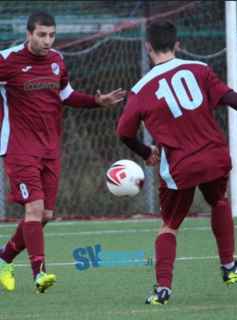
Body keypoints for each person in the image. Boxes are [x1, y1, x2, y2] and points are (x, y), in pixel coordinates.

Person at [116, 19, 237, 305]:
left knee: (169, 225)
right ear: (177, 45)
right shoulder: (200, 70)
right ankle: (229, 266)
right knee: (219, 201)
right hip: (215, 157)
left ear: (148, 48)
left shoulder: (140, 89)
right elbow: (233, 98)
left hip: (180, 168)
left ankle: (163, 289)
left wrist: (146, 152)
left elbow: (123, 133)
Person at [0, 10, 126, 294]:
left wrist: (97, 101)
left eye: (52, 35)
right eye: (42, 35)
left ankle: (4, 256)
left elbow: (66, 95)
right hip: (19, 148)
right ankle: (39, 273)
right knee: (33, 210)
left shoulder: (57, 60)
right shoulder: (6, 60)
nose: (47, 41)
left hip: (50, 148)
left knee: (45, 214)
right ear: (28, 35)